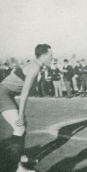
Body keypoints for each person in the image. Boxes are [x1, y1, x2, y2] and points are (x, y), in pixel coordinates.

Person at [0, 44, 53, 172]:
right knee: (20, 126)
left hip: (7, 93)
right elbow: (24, 94)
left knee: (23, 125)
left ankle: (22, 157)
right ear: (44, 55)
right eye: (50, 55)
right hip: (3, 94)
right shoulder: (34, 68)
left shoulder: (34, 64)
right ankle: (17, 168)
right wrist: (21, 115)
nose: (52, 57)